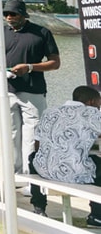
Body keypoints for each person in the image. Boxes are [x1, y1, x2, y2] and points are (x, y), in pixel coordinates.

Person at [3, 0, 61, 175]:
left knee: (32, 135)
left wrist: (29, 67)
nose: (9, 17)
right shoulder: (0, 32)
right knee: (10, 134)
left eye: (13, 14)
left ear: (23, 15)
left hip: (33, 92)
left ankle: (32, 177)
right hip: (7, 91)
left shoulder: (41, 32)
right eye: (6, 14)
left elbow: (55, 63)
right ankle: (13, 176)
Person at [29, 85, 101, 226]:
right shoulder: (92, 113)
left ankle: (39, 207)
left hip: (45, 170)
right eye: (99, 104)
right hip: (73, 172)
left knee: (33, 157)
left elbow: (37, 144)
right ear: (92, 102)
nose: (99, 108)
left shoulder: (50, 112)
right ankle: (97, 215)